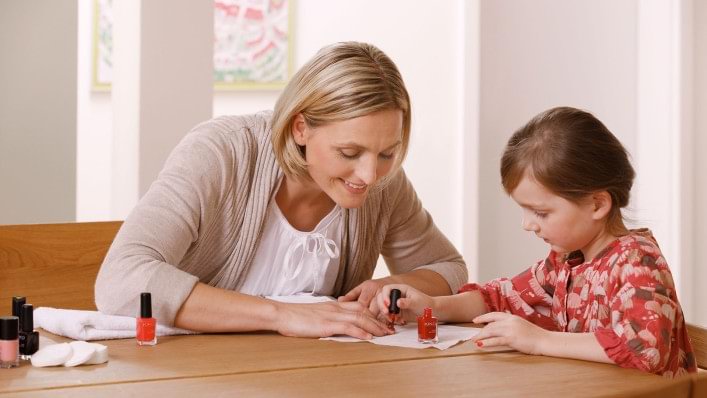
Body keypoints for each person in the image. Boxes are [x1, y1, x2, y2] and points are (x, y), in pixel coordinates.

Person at [94, 41, 468, 340]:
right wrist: (281, 314)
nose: (370, 175)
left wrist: (391, 286)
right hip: (190, 372)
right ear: (300, 128)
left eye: (387, 153)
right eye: (349, 152)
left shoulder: (385, 184)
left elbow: (448, 268)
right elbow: (121, 280)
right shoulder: (221, 152)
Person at [376, 107, 696, 376]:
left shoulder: (636, 261)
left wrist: (539, 341)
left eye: (540, 212)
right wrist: (432, 306)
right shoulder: (563, 262)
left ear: (598, 204)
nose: (527, 224)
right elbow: (500, 297)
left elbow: (645, 348)